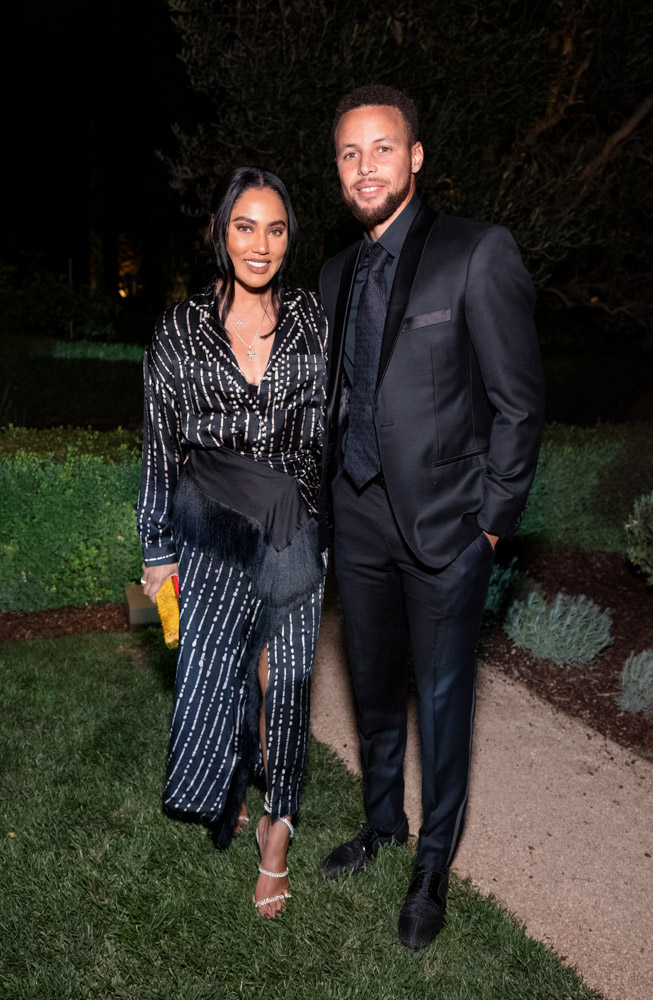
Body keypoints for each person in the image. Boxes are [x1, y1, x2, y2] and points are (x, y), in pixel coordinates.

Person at [318, 85, 544, 950]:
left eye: (381, 148)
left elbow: (518, 403)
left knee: (442, 704)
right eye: (348, 153)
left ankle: (431, 869)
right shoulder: (338, 272)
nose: (364, 166)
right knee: (374, 688)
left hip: (448, 527)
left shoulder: (475, 253)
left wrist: (489, 523)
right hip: (359, 517)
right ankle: (383, 826)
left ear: (414, 157)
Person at [137, 166, 327, 918]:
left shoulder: (311, 318)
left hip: (291, 525)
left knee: (288, 679)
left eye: (275, 229)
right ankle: (228, 782)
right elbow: (158, 448)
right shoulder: (180, 330)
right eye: (245, 226)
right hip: (211, 528)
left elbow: (326, 433)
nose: (260, 244)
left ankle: (276, 831)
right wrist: (156, 551)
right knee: (224, 678)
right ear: (221, 233)